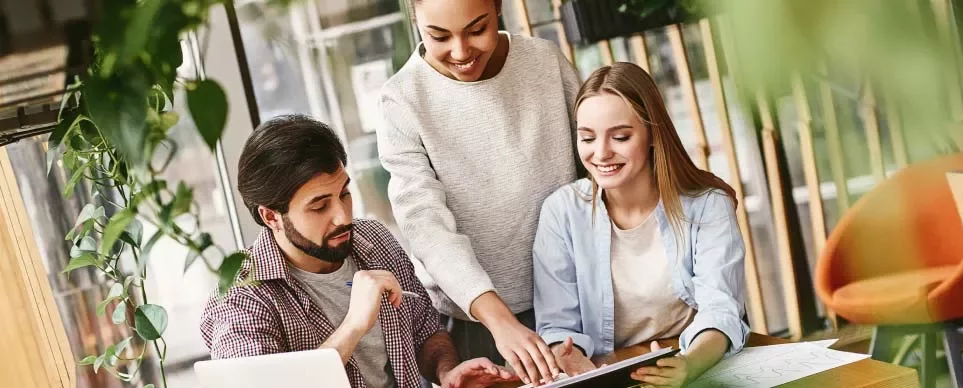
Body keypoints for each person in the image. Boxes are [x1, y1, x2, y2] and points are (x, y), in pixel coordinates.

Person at [200, 115, 518, 388]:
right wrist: (354, 326)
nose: (342, 216)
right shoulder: (241, 297)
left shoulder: (373, 239)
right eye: (319, 206)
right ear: (272, 217)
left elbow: (426, 333)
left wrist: (446, 372)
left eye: (345, 193)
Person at [376, 0, 582, 385]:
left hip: (575, 305)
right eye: (438, 35)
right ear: (415, 19)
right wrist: (499, 320)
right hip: (476, 327)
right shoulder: (401, 101)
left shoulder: (545, 62)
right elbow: (427, 228)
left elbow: (597, 168)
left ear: (498, 7)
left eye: (476, 29)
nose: (461, 51)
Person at [532, 63, 750, 387]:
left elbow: (721, 310)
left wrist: (689, 366)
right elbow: (557, 326)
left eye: (620, 136)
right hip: (610, 373)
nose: (601, 153)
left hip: (694, 364)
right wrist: (564, 352)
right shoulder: (561, 212)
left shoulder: (708, 205)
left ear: (652, 133)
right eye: (587, 138)